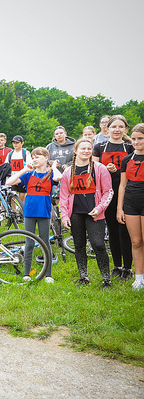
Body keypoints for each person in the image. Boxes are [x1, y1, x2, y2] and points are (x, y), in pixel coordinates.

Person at [60, 138, 113, 287]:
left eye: (89, 149)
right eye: (83, 148)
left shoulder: (100, 168)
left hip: (94, 213)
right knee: (79, 245)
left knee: (98, 244)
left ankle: (106, 279)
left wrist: (100, 208)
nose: (86, 151)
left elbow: (108, 191)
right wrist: (64, 215)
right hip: (76, 213)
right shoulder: (68, 171)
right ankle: (84, 277)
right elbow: (64, 196)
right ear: (75, 151)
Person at [7, 147, 62, 283]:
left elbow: (58, 177)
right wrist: (24, 169)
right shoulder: (29, 174)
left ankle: (48, 274)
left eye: (38, 157)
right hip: (29, 212)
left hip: (44, 212)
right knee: (29, 243)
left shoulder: (50, 174)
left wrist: (53, 167)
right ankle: (27, 273)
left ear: (46, 158)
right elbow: (9, 182)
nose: (35, 159)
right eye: (33, 157)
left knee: (45, 242)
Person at [94, 115, 135, 280]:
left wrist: (118, 171)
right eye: (114, 127)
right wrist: (105, 169)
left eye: (120, 127)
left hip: (126, 191)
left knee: (124, 230)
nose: (117, 130)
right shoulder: (99, 146)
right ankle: (117, 265)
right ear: (107, 128)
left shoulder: (130, 147)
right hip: (107, 192)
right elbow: (94, 170)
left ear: (125, 129)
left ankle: (128, 267)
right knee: (112, 229)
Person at [116, 123, 144, 290]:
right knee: (136, 241)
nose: (136, 142)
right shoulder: (127, 159)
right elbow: (122, 185)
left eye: (140, 138)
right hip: (131, 203)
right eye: (133, 138)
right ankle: (139, 278)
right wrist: (120, 208)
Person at [7, 135, 32, 203]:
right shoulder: (10, 154)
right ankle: (13, 209)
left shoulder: (25, 153)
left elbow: (29, 165)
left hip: (22, 178)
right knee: (12, 196)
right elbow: (7, 166)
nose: (15, 144)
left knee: (22, 196)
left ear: (22, 143)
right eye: (14, 143)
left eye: (17, 143)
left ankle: (21, 209)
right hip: (13, 177)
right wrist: (12, 175)